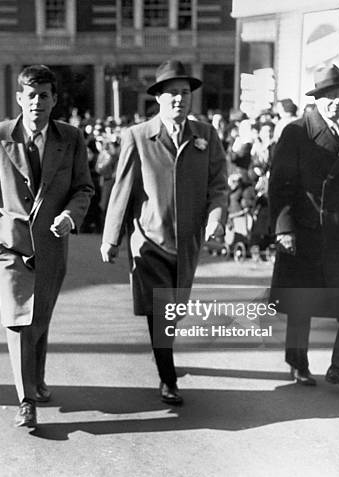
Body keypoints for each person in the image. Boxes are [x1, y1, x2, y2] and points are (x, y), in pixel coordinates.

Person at [0, 65, 94, 427]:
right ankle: (26, 401)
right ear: (19, 98)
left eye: (44, 95)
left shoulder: (70, 138)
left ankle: (36, 381)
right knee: (18, 321)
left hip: (53, 244)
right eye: (31, 95)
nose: (37, 102)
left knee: (39, 319)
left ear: (55, 99)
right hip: (8, 244)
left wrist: (70, 216)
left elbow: (84, 188)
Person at [101, 60, 228, 405]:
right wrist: (111, 237)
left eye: (184, 93)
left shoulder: (206, 136)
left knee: (174, 310)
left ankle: (165, 357)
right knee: (162, 310)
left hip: (186, 243)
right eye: (171, 93)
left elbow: (219, 185)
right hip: (150, 240)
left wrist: (216, 217)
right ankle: (168, 378)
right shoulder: (138, 136)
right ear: (158, 98)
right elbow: (122, 189)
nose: (178, 99)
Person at [269, 65, 339, 395]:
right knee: (302, 304)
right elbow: (281, 185)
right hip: (308, 231)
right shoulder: (297, 132)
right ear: (317, 99)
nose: (337, 101)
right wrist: (284, 228)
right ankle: (298, 362)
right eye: (330, 96)